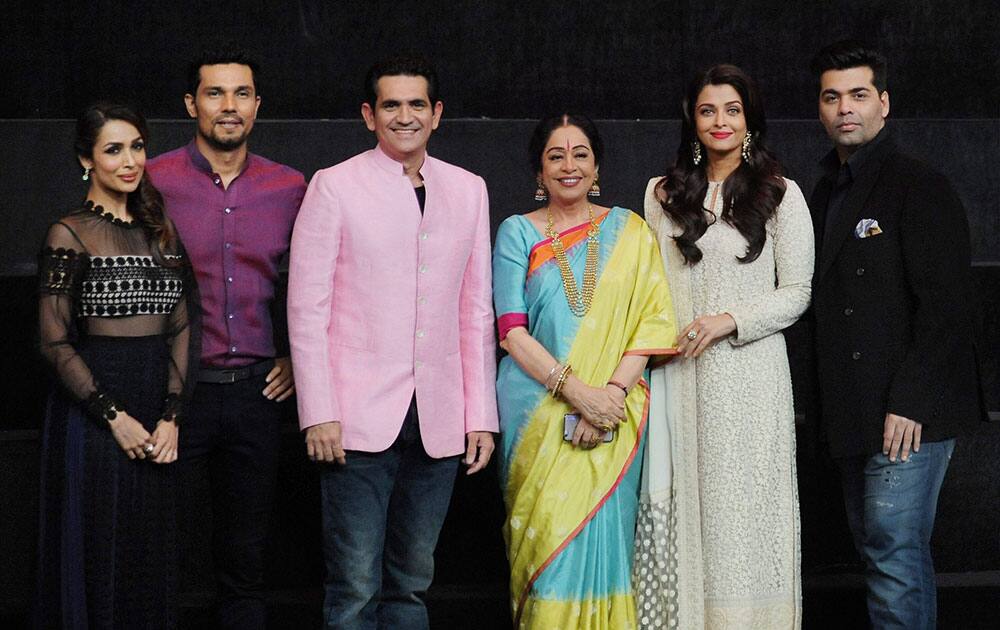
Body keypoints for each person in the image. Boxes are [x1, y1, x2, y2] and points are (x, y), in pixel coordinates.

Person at [287, 54, 498, 629]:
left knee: (411, 584)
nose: (404, 116)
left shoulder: (468, 189)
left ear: (437, 114)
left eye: (416, 105)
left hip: (439, 418)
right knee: (355, 586)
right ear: (368, 114)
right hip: (353, 420)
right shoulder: (334, 186)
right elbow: (307, 310)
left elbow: (476, 310)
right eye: (390, 105)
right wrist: (319, 411)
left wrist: (479, 414)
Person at [808, 40, 986, 629]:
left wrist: (910, 403)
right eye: (832, 97)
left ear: (883, 103)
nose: (845, 108)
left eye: (858, 95)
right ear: (821, 109)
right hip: (854, 411)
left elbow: (947, 307)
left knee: (892, 555)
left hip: (910, 412)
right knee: (884, 556)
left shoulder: (919, 184)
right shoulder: (823, 190)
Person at [634, 65, 814, 629]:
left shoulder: (781, 194)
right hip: (678, 376)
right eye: (708, 110)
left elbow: (799, 292)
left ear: (749, 120)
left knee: (746, 514)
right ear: (693, 119)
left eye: (732, 110)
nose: (720, 122)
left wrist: (728, 320)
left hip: (751, 377)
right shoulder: (661, 195)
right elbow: (649, 286)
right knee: (685, 508)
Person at [493, 113, 676, 629]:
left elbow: (652, 320)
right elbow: (511, 332)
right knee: (547, 547)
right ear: (539, 170)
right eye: (556, 156)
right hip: (538, 416)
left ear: (597, 166)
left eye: (580, 155)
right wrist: (578, 394)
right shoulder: (517, 233)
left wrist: (611, 396)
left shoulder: (631, 231)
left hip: (616, 413)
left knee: (607, 548)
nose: (569, 166)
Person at [145, 45, 305, 628]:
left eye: (241, 94)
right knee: (164, 551)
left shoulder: (289, 186)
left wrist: (295, 355)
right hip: (173, 396)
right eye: (215, 93)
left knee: (247, 560)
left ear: (257, 106)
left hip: (257, 396)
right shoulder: (153, 180)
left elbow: (320, 282)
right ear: (192, 103)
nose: (228, 106)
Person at [34, 102, 197, 629]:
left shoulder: (160, 227)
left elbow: (180, 326)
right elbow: (55, 343)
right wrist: (114, 417)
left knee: (147, 558)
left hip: (155, 415)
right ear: (87, 160)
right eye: (113, 150)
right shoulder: (69, 232)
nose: (130, 161)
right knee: (96, 556)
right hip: (95, 417)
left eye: (137, 147)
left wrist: (171, 415)